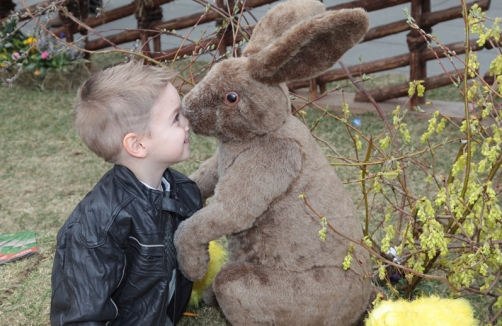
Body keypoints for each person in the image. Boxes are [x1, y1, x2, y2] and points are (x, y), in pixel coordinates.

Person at [50, 60, 202, 325]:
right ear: (137, 144)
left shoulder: (184, 192)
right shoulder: (97, 227)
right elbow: (82, 314)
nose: (187, 123)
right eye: (175, 118)